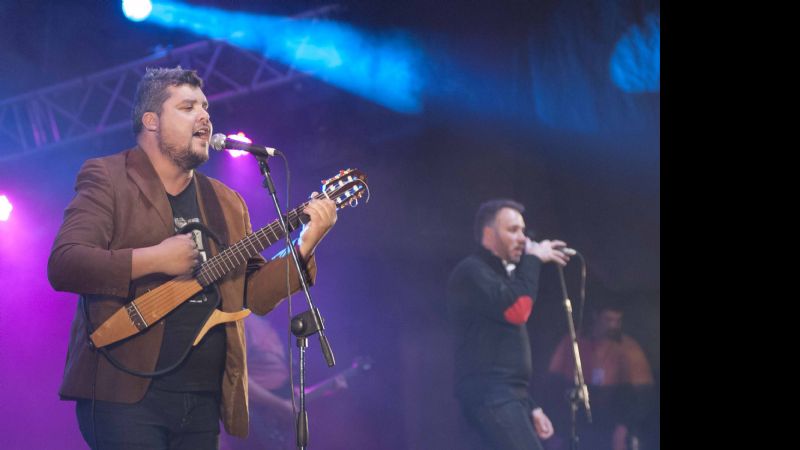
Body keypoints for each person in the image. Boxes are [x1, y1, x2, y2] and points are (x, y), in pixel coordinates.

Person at [47, 66, 337, 450]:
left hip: (203, 399)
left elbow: (253, 293)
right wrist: (155, 259)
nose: (204, 116)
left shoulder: (226, 201)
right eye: (187, 107)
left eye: (205, 107)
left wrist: (304, 245)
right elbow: (66, 264)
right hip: (125, 397)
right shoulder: (109, 178)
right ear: (151, 121)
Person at [446, 198, 571, 450]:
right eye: (513, 230)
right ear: (489, 233)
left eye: (523, 231)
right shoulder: (472, 271)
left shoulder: (503, 277)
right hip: (490, 398)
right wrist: (534, 259)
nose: (523, 238)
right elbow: (518, 310)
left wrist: (530, 405)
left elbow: (501, 356)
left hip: (507, 397)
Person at [546, 298, 655, 450]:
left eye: (617, 321)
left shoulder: (628, 348)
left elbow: (642, 395)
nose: (613, 325)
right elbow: (553, 383)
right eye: (608, 319)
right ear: (595, 316)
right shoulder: (573, 341)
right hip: (577, 412)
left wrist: (623, 427)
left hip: (614, 415)